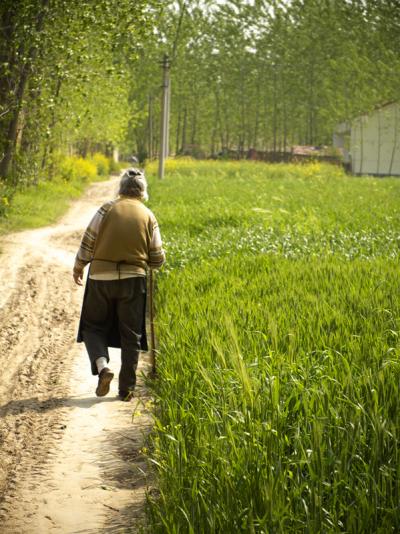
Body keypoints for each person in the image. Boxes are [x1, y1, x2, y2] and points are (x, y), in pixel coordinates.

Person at [73, 168, 165, 401]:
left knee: (92, 327)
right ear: (143, 191)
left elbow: (89, 240)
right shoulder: (148, 216)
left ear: (121, 188)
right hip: (133, 280)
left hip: (101, 278)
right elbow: (157, 257)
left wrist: (79, 265)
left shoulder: (106, 208)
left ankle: (103, 368)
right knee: (130, 335)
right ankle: (127, 390)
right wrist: (152, 261)